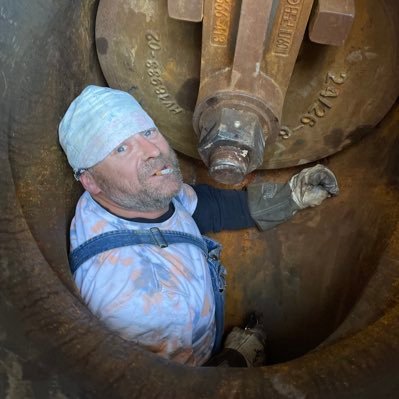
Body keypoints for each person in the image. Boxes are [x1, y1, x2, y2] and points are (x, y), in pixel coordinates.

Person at [58, 85, 339, 367]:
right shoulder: (138, 305)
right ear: (91, 181)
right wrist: (235, 358)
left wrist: (291, 196)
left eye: (147, 132)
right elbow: (183, 389)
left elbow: (202, 206)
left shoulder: (130, 194)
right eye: (121, 148)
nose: (152, 151)